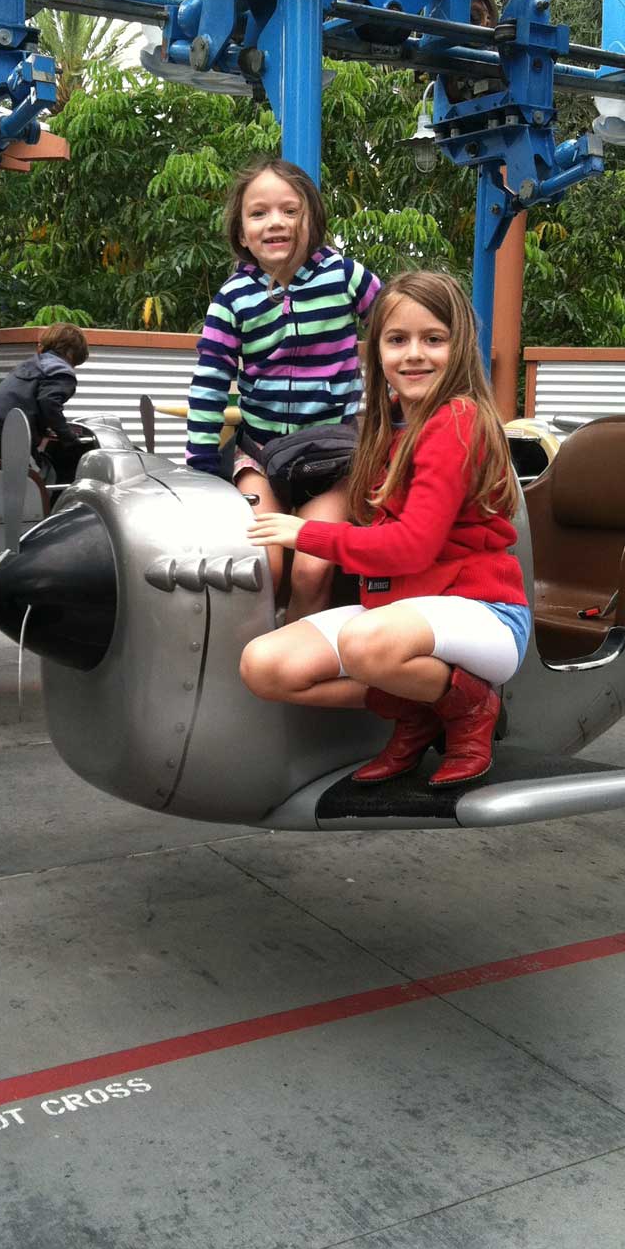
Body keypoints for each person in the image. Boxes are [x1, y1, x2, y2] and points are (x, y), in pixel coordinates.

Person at [239, 271, 531, 787]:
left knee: (363, 645)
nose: (413, 354)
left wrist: (303, 535)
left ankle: (472, 706)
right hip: (398, 615)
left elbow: (411, 548)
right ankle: (418, 707)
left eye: (433, 339)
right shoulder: (384, 425)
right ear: (376, 353)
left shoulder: (456, 420)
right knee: (264, 666)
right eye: (397, 340)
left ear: (458, 345)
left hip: (482, 611)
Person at [185, 157, 381, 620]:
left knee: (312, 569)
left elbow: (400, 325)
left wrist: (397, 410)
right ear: (241, 230)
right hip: (262, 450)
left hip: (334, 455)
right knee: (261, 566)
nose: (275, 222)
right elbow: (210, 383)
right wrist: (196, 467)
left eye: (290, 210)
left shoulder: (346, 277)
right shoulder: (233, 298)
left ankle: (295, 663)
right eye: (259, 213)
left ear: (312, 218)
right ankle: (258, 661)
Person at [0, 322, 90, 484]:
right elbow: (49, 403)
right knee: (41, 479)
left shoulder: (32, 364)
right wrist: (68, 438)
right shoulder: (60, 372)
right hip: (12, 435)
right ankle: (43, 509)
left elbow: (30, 401)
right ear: (71, 353)